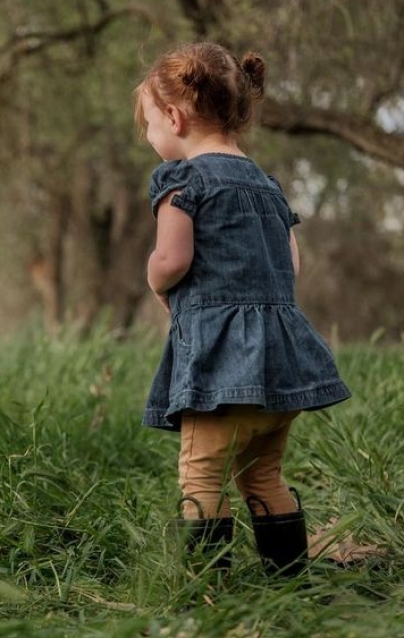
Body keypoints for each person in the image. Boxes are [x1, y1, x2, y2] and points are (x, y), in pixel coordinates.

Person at [135, 41, 351, 576]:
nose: (148, 137)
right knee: (263, 477)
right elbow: (290, 265)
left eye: (147, 124)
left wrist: (156, 279)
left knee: (202, 478)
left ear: (174, 116)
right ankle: (289, 578)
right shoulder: (268, 186)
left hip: (222, 369)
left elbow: (173, 256)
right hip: (281, 370)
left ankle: (207, 590)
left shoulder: (182, 180)